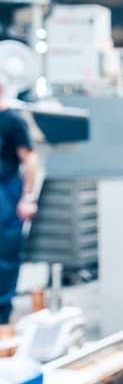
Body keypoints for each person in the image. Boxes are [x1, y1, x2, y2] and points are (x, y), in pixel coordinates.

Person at [0, 81, 39, 325]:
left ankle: (2, 312)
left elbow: (30, 158)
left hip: (6, 192)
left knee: (5, 254)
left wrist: (27, 197)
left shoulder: (13, 121)